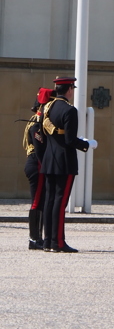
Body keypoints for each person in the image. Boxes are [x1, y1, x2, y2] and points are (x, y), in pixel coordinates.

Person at [39, 77, 97, 253]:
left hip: (49, 160)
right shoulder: (69, 110)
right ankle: (58, 242)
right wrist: (87, 144)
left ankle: (48, 240)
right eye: (72, 88)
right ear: (69, 89)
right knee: (60, 202)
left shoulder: (47, 107)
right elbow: (70, 140)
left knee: (49, 200)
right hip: (64, 161)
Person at [23, 87, 52, 250]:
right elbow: (40, 151)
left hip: (36, 163)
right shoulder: (37, 124)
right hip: (37, 164)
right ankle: (34, 238)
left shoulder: (36, 122)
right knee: (36, 202)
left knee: (40, 202)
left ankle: (38, 237)